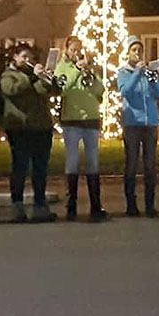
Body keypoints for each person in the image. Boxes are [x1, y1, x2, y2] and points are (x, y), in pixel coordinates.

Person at [1, 43, 61, 223]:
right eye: (24, 57)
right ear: (15, 58)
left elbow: (51, 91)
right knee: (20, 168)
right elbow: (11, 90)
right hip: (20, 128)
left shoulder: (35, 78)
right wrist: (31, 78)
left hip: (41, 127)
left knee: (40, 169)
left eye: (31, 58)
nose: (28, 61)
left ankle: (40, 205)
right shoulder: (8, 75)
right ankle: (17, 206)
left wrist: (48, 78)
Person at [53, 36, 107, 221]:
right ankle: (71, 206)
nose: (77, 53)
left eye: (79, 49)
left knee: (93, 162)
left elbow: (100, 91)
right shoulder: (62, 67)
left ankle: (96, 205)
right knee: (73, 161)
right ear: (67, 51)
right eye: (74, 50)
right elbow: (63, 87)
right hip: (72, 120)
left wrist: (90, 75)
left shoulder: (90, 67)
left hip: (91, 119)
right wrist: (76, 70)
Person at [117, 36, 159, 217]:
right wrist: (137, 73)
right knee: (131, 164)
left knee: (150, 165)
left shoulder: (147, 73)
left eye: (140, 50)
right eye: (134, 50)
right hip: (132, 124)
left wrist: (153, 78)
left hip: (150, 123)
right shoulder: (124, 72)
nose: (137, 54)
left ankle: (150, 205)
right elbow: (125, 91)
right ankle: (131, 205)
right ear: (128, 53)